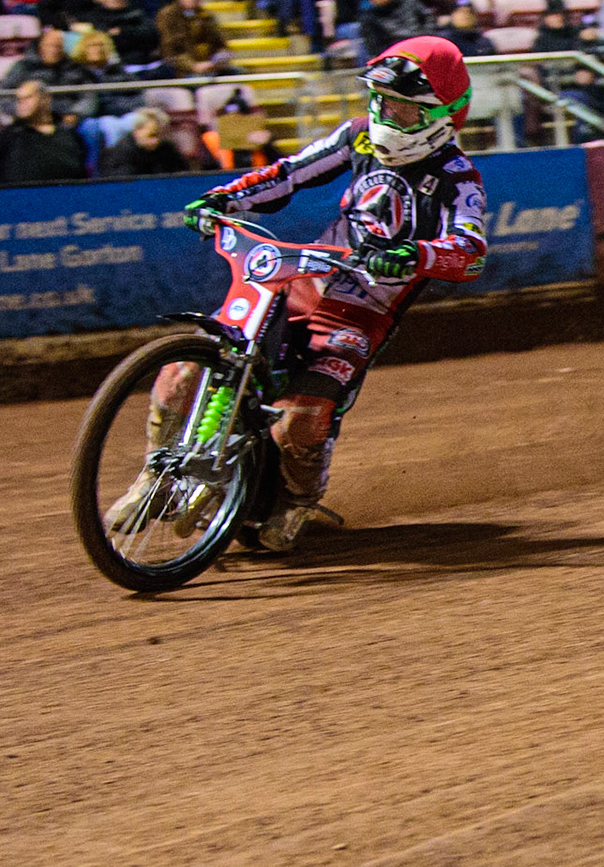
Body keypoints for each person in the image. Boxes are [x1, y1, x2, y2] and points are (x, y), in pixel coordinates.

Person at [133, 38, 487, 552]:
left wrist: (415, 255)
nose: (386, 113)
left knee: (301, 419)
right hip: (301, 281)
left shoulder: (458, 179)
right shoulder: (358, 137)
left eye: (403, 107)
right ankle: (155, 473)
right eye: (381, 101)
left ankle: (298, 499)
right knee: (184, 372)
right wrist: (223, 198)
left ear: (442, 115)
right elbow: (288, 174)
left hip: (361, 312)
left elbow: (471, 251)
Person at [0, 80, 88, 185]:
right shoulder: (10, 136)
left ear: (46, 98)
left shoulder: (69, 135)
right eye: (19, 99)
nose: (22, 103)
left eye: (28, 98)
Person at [97, 107, 191, 176]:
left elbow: (182, 174)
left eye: (160, 136)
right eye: (152, 135)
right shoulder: (119, 154)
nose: (157, 141)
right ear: (137, 130)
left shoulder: (168, 149)